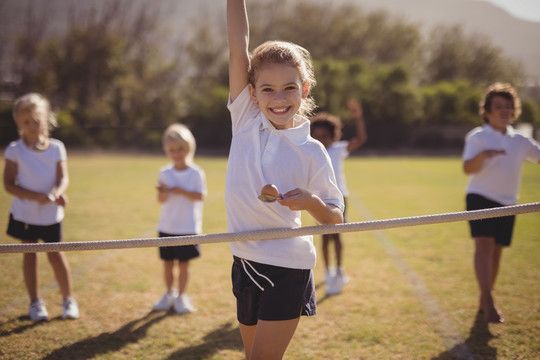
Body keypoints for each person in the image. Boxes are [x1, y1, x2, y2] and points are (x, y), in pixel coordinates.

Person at [226, 0, 344, 358]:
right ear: (251, 92)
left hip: (286, 267)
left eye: (289, 88)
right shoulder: (245, 119)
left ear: (305, 89)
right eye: (267, 89)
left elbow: (335, 220)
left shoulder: (312, 151)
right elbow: (237, 44)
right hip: (243, 260)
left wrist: (309, 202)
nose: (278, 98)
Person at [462, 82, 540, 323]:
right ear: (487, 111)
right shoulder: (478, 136)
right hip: (480, 198)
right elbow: (467, 168)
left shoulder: (521, 140)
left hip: (509, 203)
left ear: (514, 110)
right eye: (498, 106)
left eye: (508, 106)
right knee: (484, 247)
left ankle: (484, 299)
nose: (504, 110)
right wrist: (485, 155)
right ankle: (489, 301)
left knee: (496, 253)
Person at [3, 93, 79, 321]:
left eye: (37, 120)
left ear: (46, 119)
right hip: (26, 214)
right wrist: (36, 197)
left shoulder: (57, 148)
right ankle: (36, 303)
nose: (32, 126)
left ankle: (68, 300)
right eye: (26, 122)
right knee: (30, 255)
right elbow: (8, 184)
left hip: (51, 215)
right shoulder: (14, 150)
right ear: (18, 123)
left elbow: (63, 178)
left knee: (56, 254)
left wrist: (56, 194)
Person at [310, 99, 367, 295]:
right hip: (319, 199)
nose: (321, 140)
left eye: (325, 136)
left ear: (333, 136)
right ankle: (328, 271)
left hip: (340, 198)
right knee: (325, 238)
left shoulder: (338, 149)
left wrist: (358, 118)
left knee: (337, 236)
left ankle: (339, 271)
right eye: (316, 137)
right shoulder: (312, 151)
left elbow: (360, 140)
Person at [152, 123, 206, 314]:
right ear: (167, 151)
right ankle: (169, 294)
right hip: (167, 226)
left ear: (189, 149)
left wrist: (182, 191)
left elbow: (200, 196)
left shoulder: (196, 173)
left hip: (188, 227)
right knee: (167, 263)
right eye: (172, 150)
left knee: (184, 264)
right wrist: (164, 192)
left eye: (181, 149)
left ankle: (182, 297)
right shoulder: (164, 172)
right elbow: (160, 200)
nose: (177, 154)